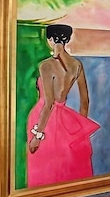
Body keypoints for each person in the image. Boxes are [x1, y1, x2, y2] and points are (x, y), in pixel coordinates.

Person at [26, 24, 100, 187]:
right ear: (67, 39)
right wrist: (81, 130)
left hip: (44, 121)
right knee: (65, 165)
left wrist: (37, 135)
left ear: (50, 39)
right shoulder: (77, 65)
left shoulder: (46, 65)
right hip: (67, 122)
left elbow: (49, 103)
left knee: (46, 166)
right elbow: (85, 101)